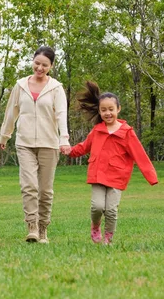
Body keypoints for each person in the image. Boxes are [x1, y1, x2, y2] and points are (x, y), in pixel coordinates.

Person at [61, 81, 158, 245]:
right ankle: (95, 226)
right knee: (97, 207)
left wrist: (151, 176)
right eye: (103, 110)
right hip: (98, 174)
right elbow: (84, 147)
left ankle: (108, 238)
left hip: (117, 177)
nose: (107, 113)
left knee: (111, 210)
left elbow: (140, 155)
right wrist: (70, 151)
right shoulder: (97, 130)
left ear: (118, 109)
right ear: (99, 111)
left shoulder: (126, 132)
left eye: (111, 109)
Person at [0, 46, 71, 244]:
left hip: (49, 143)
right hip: (25, 142)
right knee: (29, 186)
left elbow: (61, 114)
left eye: (44, 65)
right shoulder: (20, 85)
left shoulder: (56, 88)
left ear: (51, 66)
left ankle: (43, 228)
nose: (39, 68)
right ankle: (32, 226)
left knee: (45, 190)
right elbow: (11, 112)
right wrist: (4, 136)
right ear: (32, 61)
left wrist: (64, 139)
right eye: (37, 63)